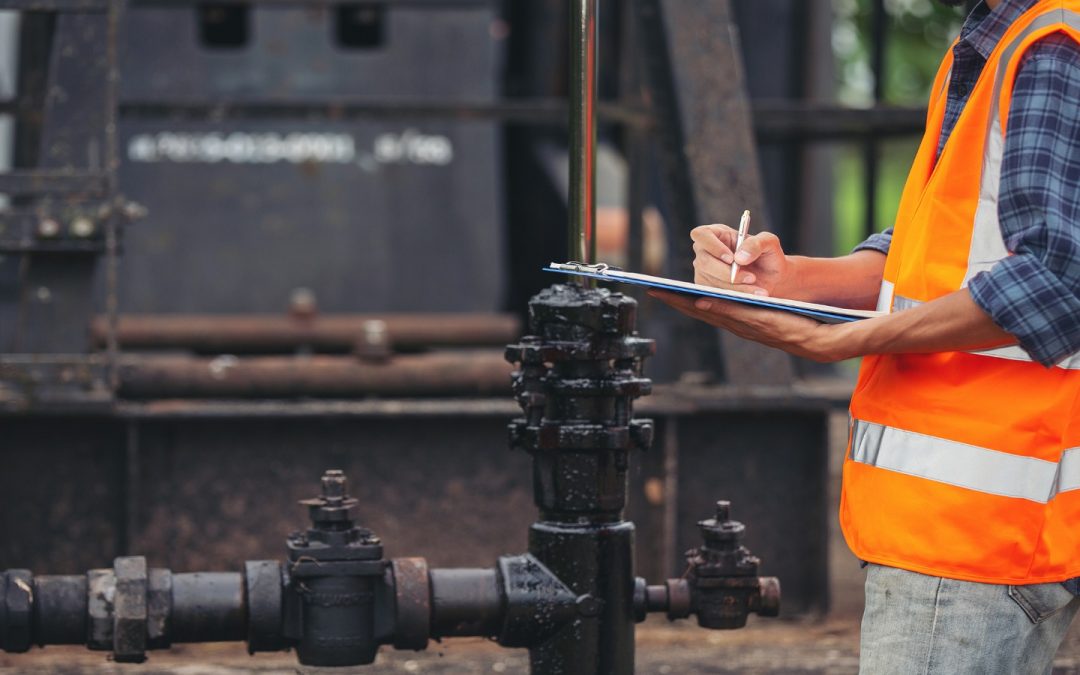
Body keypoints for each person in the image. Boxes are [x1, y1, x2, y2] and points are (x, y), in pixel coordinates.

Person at [650, 0, 1080, 672]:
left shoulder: (1051, 49)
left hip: (971, 526)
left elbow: (1055, 279)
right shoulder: (1003, 42)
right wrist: (790, 278)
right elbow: (939, 251)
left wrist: (844, 342)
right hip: (982, 518)